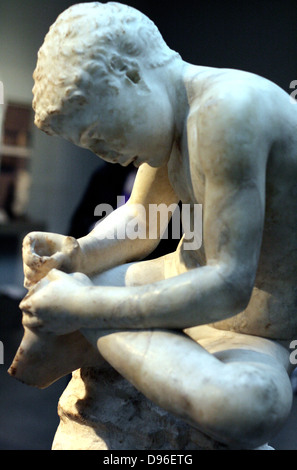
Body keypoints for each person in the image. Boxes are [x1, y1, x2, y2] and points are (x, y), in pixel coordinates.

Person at [18, 2, 297, 449]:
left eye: (98, 136)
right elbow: (140, 220)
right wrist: (76, 254)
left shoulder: (227, 111)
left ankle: (86, 333)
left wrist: (85, 307)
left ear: (130, 75)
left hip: (248, 328)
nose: (105, 155)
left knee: (247, 409)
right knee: (62, 282)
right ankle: (87, 331)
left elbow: (230, 284)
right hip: (178, 276)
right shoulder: (174, 118)